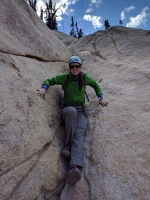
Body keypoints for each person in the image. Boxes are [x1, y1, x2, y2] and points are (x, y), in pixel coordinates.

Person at [36, 56, 108, 185]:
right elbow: (50, 80)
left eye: (77, 66)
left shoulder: (85, 78)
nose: (75, 68)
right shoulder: (65, 78)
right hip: (68, 111)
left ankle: (74, 167)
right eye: (72, 66)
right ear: (69, 68)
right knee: (71, 112)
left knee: (79, 135)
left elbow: (96, 85)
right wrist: (44, 88)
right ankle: (68, 144)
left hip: (81, 111)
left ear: (80, 67)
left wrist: (100, 98)